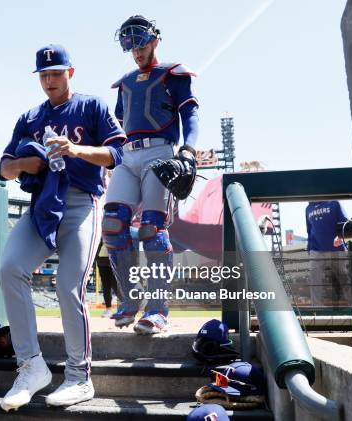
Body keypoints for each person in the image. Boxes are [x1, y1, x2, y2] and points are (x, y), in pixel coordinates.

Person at [0, 44, 126, 411]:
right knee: (10, 268)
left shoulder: (92, 106)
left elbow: (117, 153)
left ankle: (79, 376)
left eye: (57, 73)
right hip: (42, 205)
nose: (50, 80)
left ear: (71, 72)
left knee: (67, 284)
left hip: (81, 202)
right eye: (44, 75)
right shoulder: (30, 117)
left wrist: (76, 149)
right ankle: (31, 367)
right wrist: (26, 163)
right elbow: (3, 167)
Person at [103, 15, 199, 334]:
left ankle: (157, 311)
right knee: (113, 224)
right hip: (128, 155)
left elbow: (190, 113)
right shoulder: (125, 82)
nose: (136, 49)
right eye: (129, 42)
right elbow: (119, 123)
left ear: (156, 39)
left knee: (151, 230)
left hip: (161, 152)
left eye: (141, 40)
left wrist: (188, 150)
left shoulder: (173, 73)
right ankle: (130, 302)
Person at [305, 201, 349, 306]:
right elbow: (309, 230)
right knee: (314, 277)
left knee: (344, 277)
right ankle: (316, 307)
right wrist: (309, 248)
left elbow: (345, 223)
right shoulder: (308, 208)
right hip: (316, 250)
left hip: (336, 249)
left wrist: (340, 237)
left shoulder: (334, 203)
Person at [95, 240, 120, 317]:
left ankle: (122, 308)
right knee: (106, 286)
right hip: (102, 260)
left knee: (115, 284)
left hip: (114, 259)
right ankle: (108, 309)